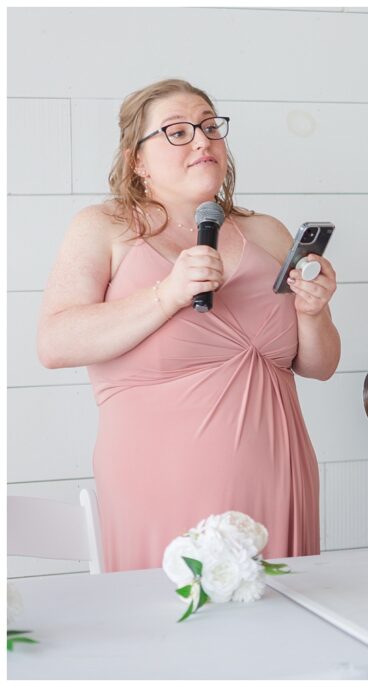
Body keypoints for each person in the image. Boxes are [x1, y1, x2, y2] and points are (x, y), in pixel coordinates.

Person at [36, 79, 340, 571]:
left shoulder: (268, 231)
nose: (202, 140)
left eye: (208, 126)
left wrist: (313, 311)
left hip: (280, 480)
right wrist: (167, 294)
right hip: (161, 483)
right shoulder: (103, 227)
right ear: (137, 159)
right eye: (177, 131)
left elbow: (320, 366)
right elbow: (54, 343)